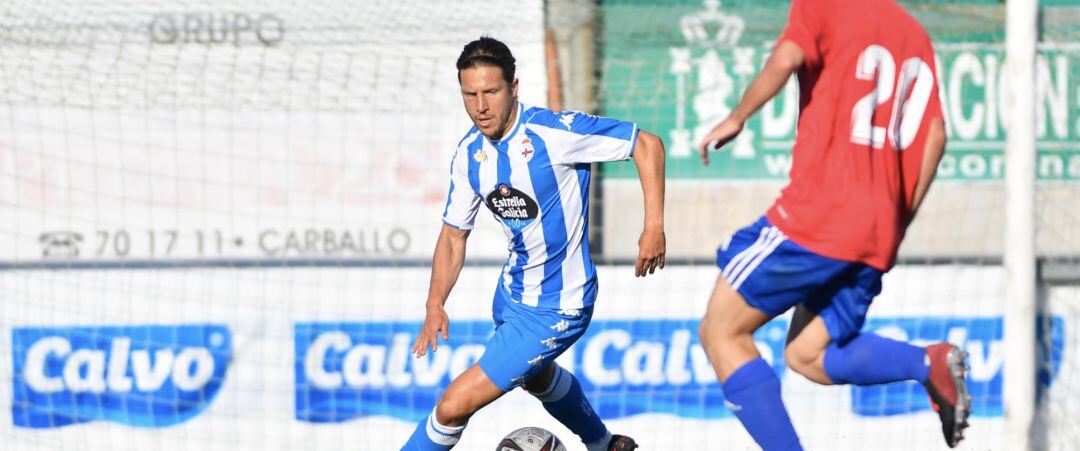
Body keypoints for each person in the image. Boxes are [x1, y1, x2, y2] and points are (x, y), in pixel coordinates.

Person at [696, 0, 970, 449]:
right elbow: (935, 135)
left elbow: (787, 56)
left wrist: (737, 116)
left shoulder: (824, 4)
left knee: (721, 331)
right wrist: (897, 224)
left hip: (819, 216)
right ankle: (927, 362)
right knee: (809, 355)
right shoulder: (912, 31)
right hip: (879, 229)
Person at [402, 36, 666, 451]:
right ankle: (603, 444)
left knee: (452, 407)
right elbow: (454, 235)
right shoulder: (470, 154)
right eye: (470, 94)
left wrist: (653, 227)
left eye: (491, 92)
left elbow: (646, 144)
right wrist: (435, 304)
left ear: (514, 87)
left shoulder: (553, 132)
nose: (480, 106)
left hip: (559, 304)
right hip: (511, 294)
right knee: (536, 376)